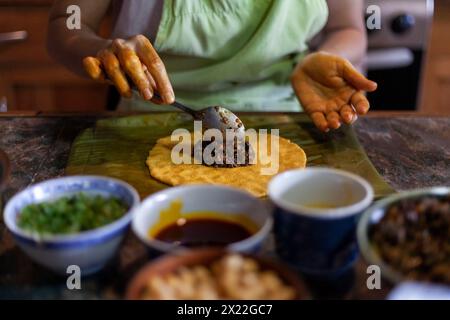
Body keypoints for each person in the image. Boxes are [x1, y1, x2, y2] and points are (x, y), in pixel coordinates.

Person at [47, 0, 377, 132]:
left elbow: (346, 29)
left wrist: (320, 58)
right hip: (149, 119)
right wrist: (103, 50)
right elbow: (68, 23)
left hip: (290, 117)